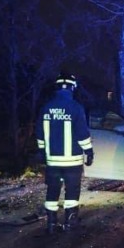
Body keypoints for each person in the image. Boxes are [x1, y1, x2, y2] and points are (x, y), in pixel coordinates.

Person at [36, 71, 94, 233]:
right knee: (72, 190)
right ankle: (70, 222)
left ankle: (51, 224)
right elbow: (82, 134)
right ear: (72, 87)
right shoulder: (75, 108)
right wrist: (89, 151)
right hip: (72, 161)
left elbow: (39, 134)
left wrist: (42, 151)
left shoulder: (46, 108)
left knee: (52, 189)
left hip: (52, 161)